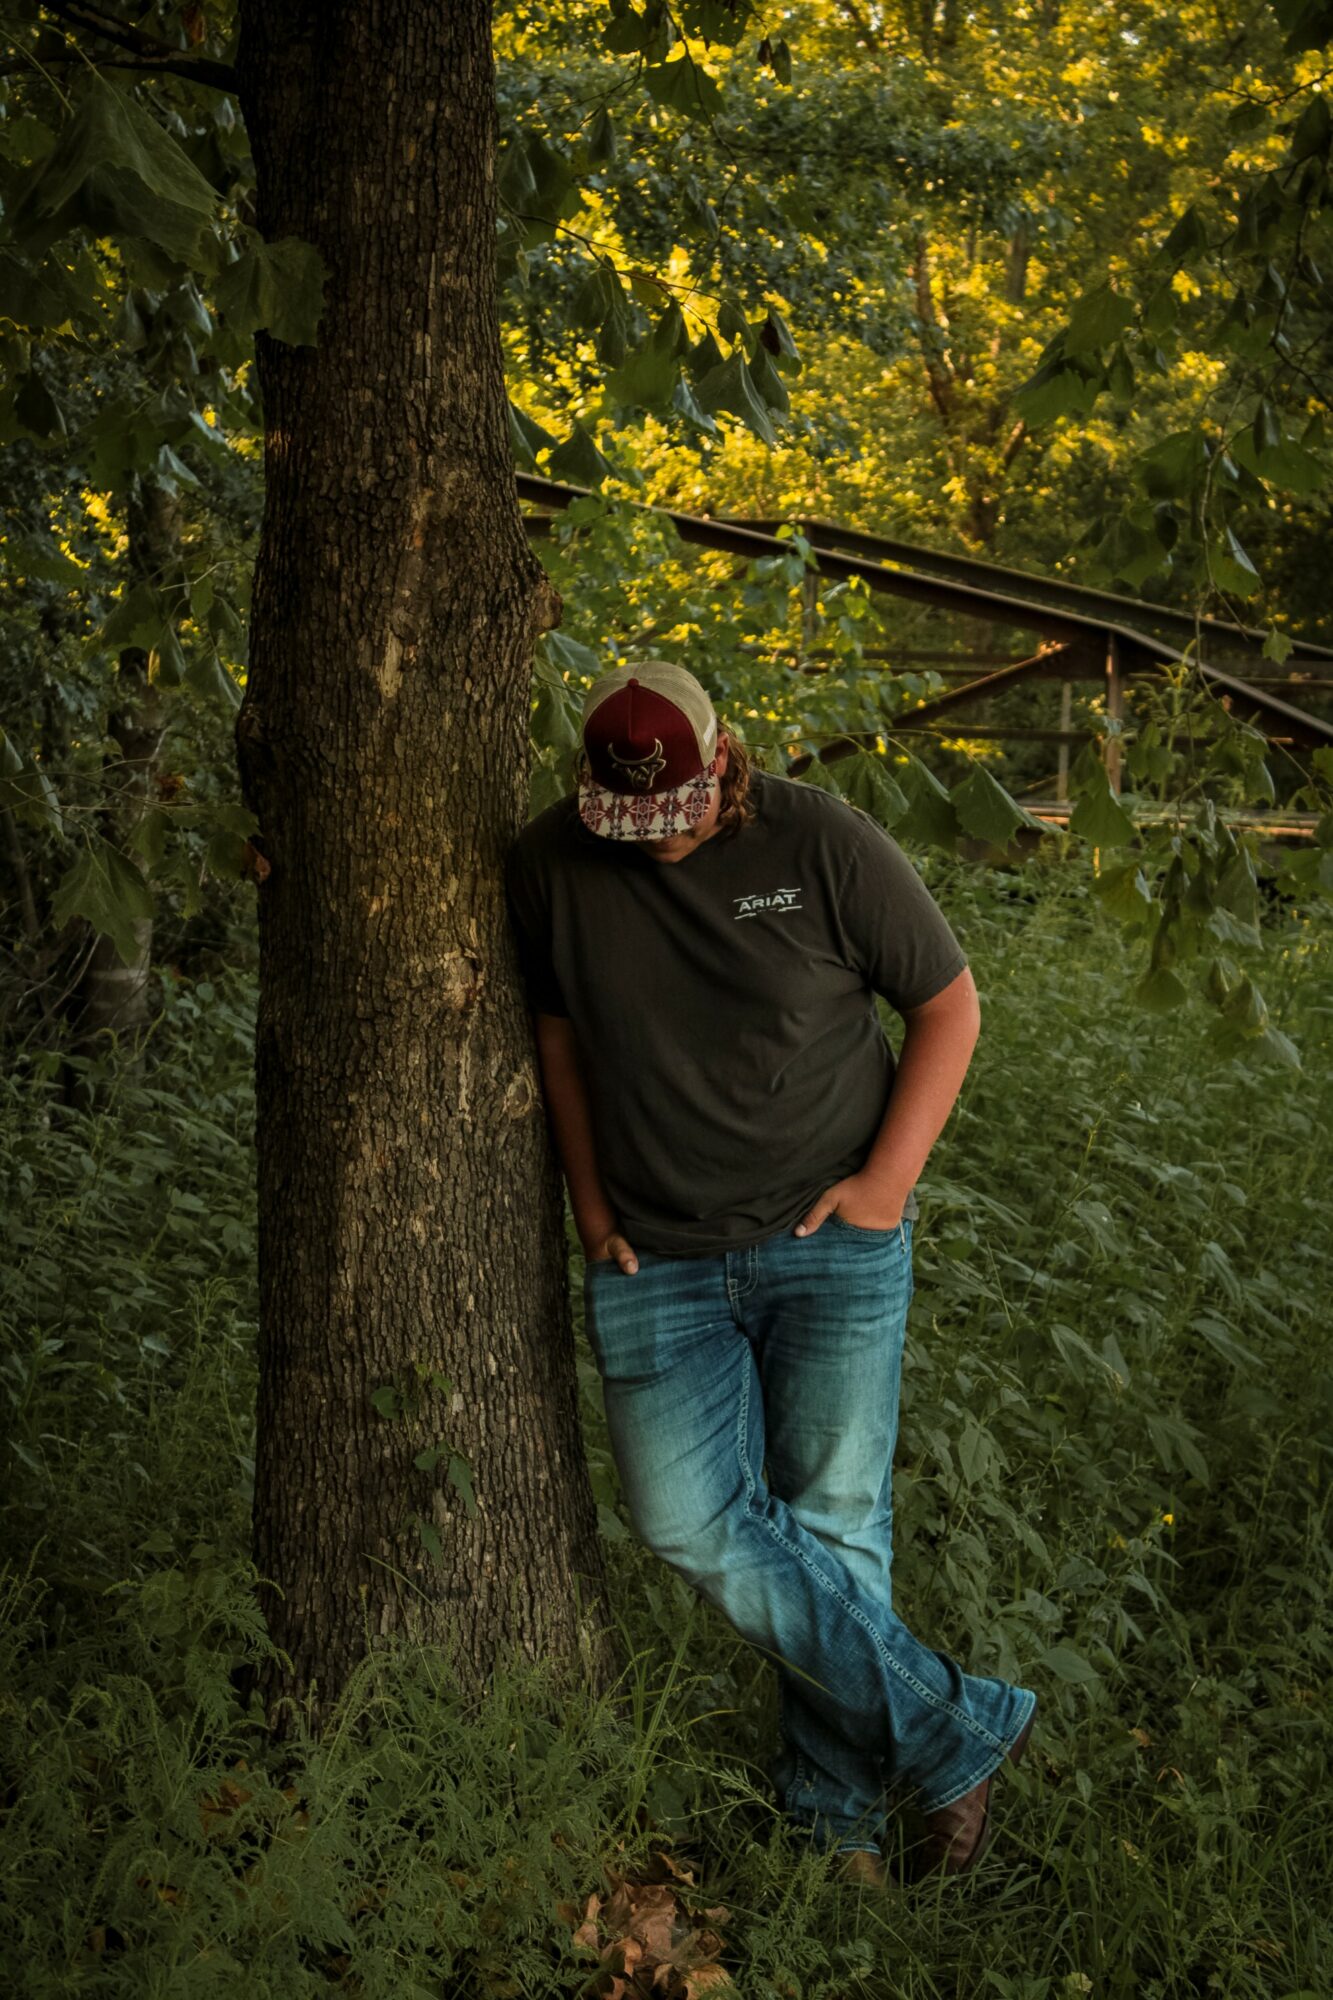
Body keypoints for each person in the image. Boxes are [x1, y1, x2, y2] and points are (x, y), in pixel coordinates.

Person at [505, 659, 1037, 1886]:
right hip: (655, 1252)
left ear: (722, 756)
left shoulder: (821, 839)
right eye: (632, 818)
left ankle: (832, 1830)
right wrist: (588, 1205)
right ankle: (957, 1733)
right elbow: (558, 1039)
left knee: (835, 1521)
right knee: (684, 1518)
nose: (661, 838)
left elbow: (947, 1005)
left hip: (827, 1240)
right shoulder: (552, 864)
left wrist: (884, 1188)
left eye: (681, 808)